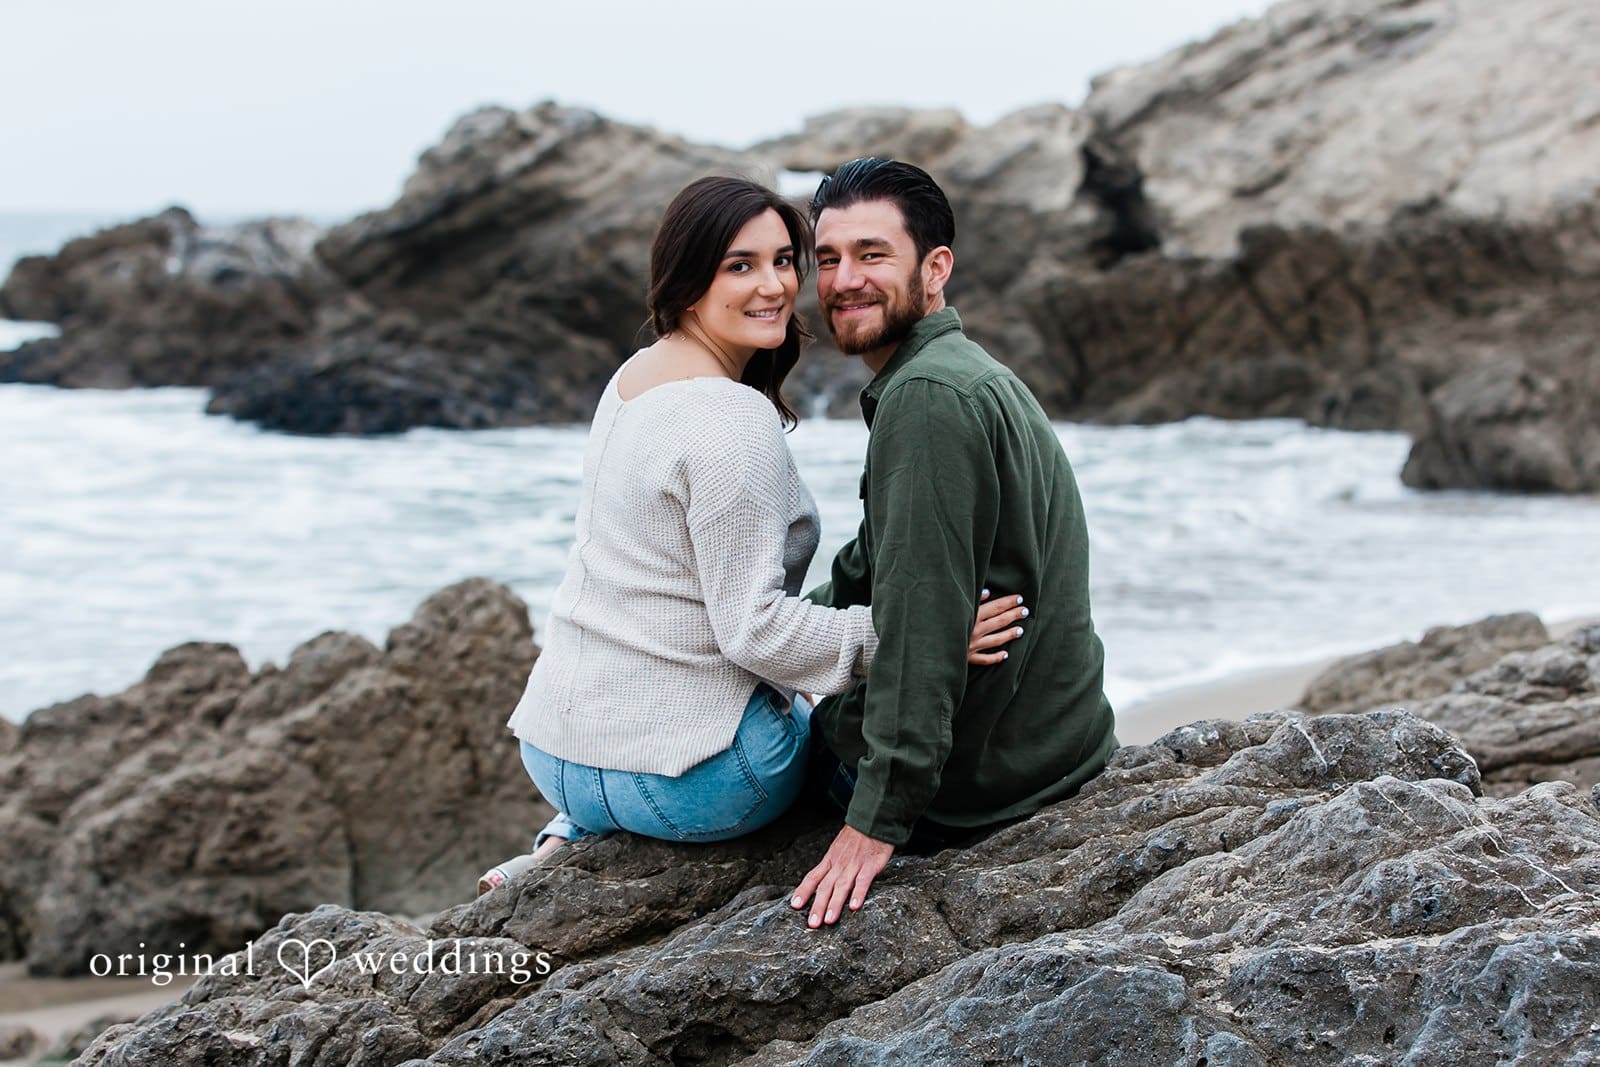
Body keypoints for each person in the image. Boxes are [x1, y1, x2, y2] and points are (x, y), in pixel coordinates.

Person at [480, 176, 1026, 893]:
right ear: (687, 281)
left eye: (784, 260)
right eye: (740, 265)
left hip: (561, 757)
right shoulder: (732, 422)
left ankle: (564, 840)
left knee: (785, 684)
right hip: (695, 785)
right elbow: (756, 632)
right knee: (827, 722)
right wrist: (914, 638)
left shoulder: (636, 378)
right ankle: (591, 829)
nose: (774, 286)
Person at [788, 159, 1119, 928]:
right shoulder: (961, 373)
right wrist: (777, 638)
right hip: (1059, 744)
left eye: (872, 254)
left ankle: (568, 828)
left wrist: (876, 820)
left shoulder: (926, 400)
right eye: (828, 258)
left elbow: (920, 624)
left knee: (734, 754)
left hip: (977, 787)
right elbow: (874, 570)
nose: (843, 280)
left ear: (935, 268)